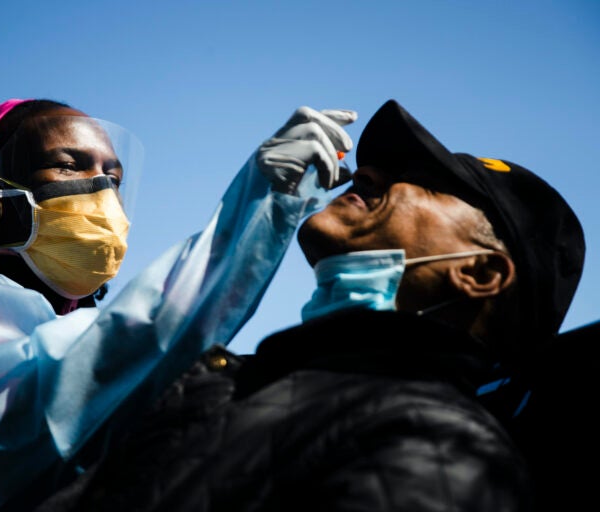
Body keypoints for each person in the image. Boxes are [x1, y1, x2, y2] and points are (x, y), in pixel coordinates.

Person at [30, 99, 585, 511]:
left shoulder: (440, 445)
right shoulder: (228, 387)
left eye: (424, 182)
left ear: (479, 272)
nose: (363, 171)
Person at [0, 98, 359, 511]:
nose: (101, 191)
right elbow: (42, 401)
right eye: (69, 163)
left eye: (114, 177)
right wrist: (258, 208)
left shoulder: (57, 323)